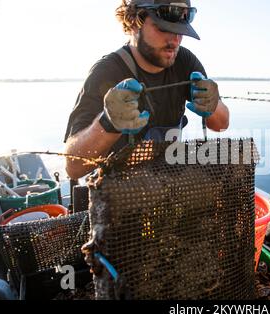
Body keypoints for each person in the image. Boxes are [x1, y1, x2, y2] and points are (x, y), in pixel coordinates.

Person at [64, 0, 229, 180]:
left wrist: (213, 105)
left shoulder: (185, 62)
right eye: (163, 28)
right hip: (121, 192)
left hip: (169, 185)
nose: (174, 41)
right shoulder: (107, 72)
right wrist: (107, 123)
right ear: (135, 21)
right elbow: (73, 169)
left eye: (180, 31)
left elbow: (220, 125)